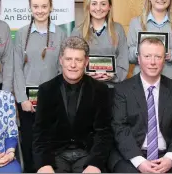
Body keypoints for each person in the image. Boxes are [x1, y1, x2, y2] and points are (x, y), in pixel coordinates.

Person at [109, 37, 172, 173]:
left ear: (164, 60)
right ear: (139, 59)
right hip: (133, 154)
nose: (152, 62)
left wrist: (170, 158)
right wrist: (139, 161)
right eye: (147, 56)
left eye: (158, 57)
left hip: (167, 153)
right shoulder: (123, 89)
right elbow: (119, 127)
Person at [32, 36, 113, 173]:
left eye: (78, 60)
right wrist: (44, 164)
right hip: (55, 155)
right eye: (69, 59)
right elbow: (40, 133)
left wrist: (95, 164)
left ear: (86, 62)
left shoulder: (101, 90)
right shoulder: (46, 90)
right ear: (61, 60)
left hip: (88, 155)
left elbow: (104, 133)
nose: (73, 65)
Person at [13, 0, 66, 173]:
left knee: (51, 142)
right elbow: (16, 69)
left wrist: (59, 97)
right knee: (29, 142)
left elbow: (63, 69)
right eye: (36, 6)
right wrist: (22, 98)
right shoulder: (20, 34)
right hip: (28, 101)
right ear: (30, 8)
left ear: (51, 7)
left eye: (44, 6)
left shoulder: (60, 34)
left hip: (53, 99)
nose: (40, 10)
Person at [71, 0, 128, 87]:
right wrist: (85, 73)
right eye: (94, 4)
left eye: (103, 4)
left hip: (112, 89)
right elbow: (72, 61)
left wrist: (113, 75)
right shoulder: (78, 31)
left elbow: (123, 60)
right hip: (85, 88)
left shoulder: (118, 29)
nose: (98, 8)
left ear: (109, 7)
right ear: (88, 7)